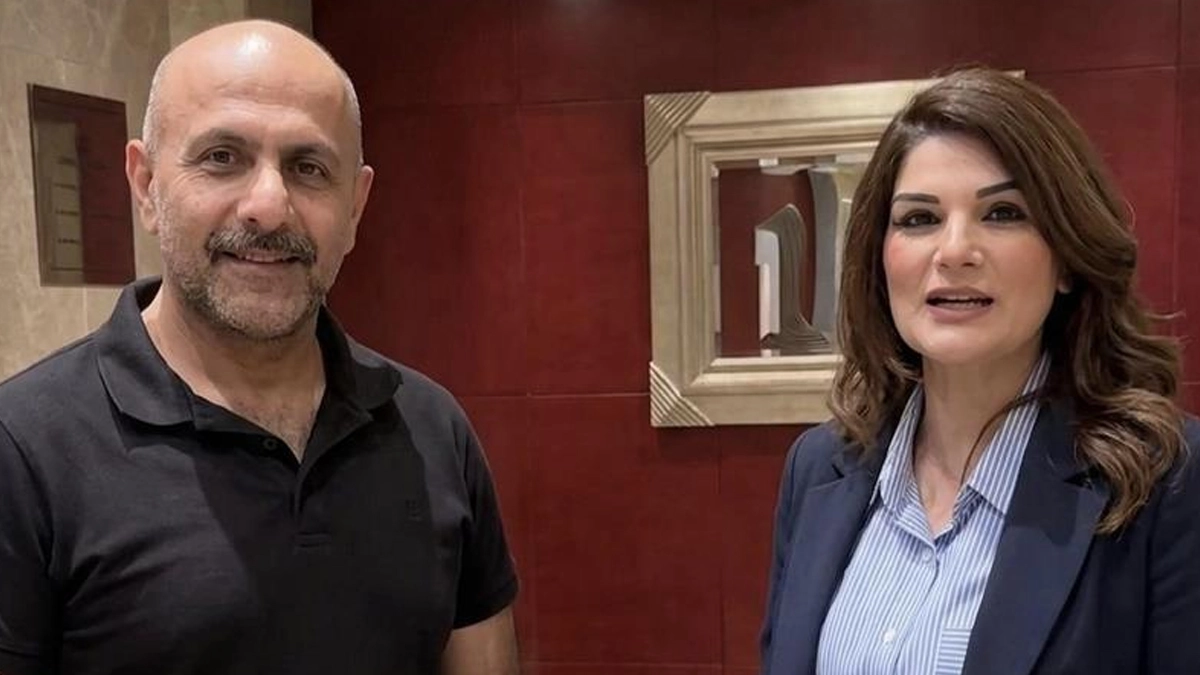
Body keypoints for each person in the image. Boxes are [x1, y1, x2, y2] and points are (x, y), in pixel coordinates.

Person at [0, 20, 519, 675]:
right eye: (222, 156)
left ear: (355, 207)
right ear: (146, 186)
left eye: (308, 167)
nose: (269, 206)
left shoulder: (431, 429)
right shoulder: (23, 450)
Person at [760, 68, 1200, 675]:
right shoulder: (818, 468)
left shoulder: (1165, 482)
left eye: (1003, 213)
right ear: (880, 257)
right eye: (919, 219)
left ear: (1067, 258)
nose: (954, 251)